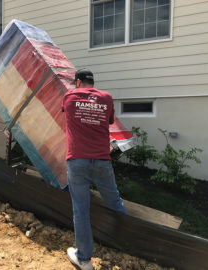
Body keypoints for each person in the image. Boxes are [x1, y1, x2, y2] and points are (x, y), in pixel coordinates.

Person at [62, 69, 127, 270]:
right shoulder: (106, 98)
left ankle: (84, 259)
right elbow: (108, 121)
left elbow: (65, 112)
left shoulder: (69, 96)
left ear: (78, 82)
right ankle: (129, 242)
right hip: (101, 160)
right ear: (92, 82)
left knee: (81, 209)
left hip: (77, 160)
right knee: (114, 201)